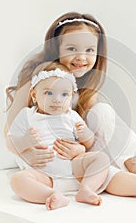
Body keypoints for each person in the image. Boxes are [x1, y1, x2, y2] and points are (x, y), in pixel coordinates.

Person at [5, 12, 136, 206]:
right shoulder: (35, 81)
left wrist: (81, 149)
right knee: (23, 179)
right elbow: (10, 133)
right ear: (55, 49)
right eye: (71, 49)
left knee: (102, 117)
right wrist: (28, 151)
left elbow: (82, 138)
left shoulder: (85, 89)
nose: (82, 57)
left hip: (71, 157)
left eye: (89, 50)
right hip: (35, 154)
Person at [9, 62, 111, 210]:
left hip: (74, 168)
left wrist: (85, 135)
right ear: (34, 94)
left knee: (101, 158)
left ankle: (86, 189)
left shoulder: (71, 116)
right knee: (18, 180)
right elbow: (12, 142)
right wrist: (25, 141)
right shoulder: (27, 115)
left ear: (71, 96)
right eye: (49, 93)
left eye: (64, 94)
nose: (57, 99)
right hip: (44, 176)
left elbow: (89, 143)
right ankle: (52, 194)